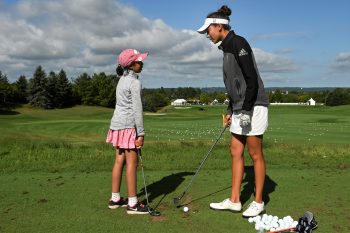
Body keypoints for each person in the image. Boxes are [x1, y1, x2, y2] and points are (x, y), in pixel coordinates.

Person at [197, 5, 269, 217]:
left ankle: (258, 201)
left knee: (255, 153)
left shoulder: (239, 43)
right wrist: (231, 109)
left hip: (254, 106)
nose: (207, 35)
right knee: (235, 151)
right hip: (239, 107)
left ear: (219, 26)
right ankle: (235, 200)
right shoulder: (226, 48)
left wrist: (246, 110)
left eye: (208, 31)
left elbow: (251, 79)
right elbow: (233, 85)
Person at [106, 48, 149, 215]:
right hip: (128, 126)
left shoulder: (122, 80)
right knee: (132, 163)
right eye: (139, 61)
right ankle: (132, 203)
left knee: (119, 161)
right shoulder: (134, 82)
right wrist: (141, 133)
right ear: (131, 65)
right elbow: (137, 110)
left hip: (116, 125)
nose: (142, 64)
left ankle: (115, 199)